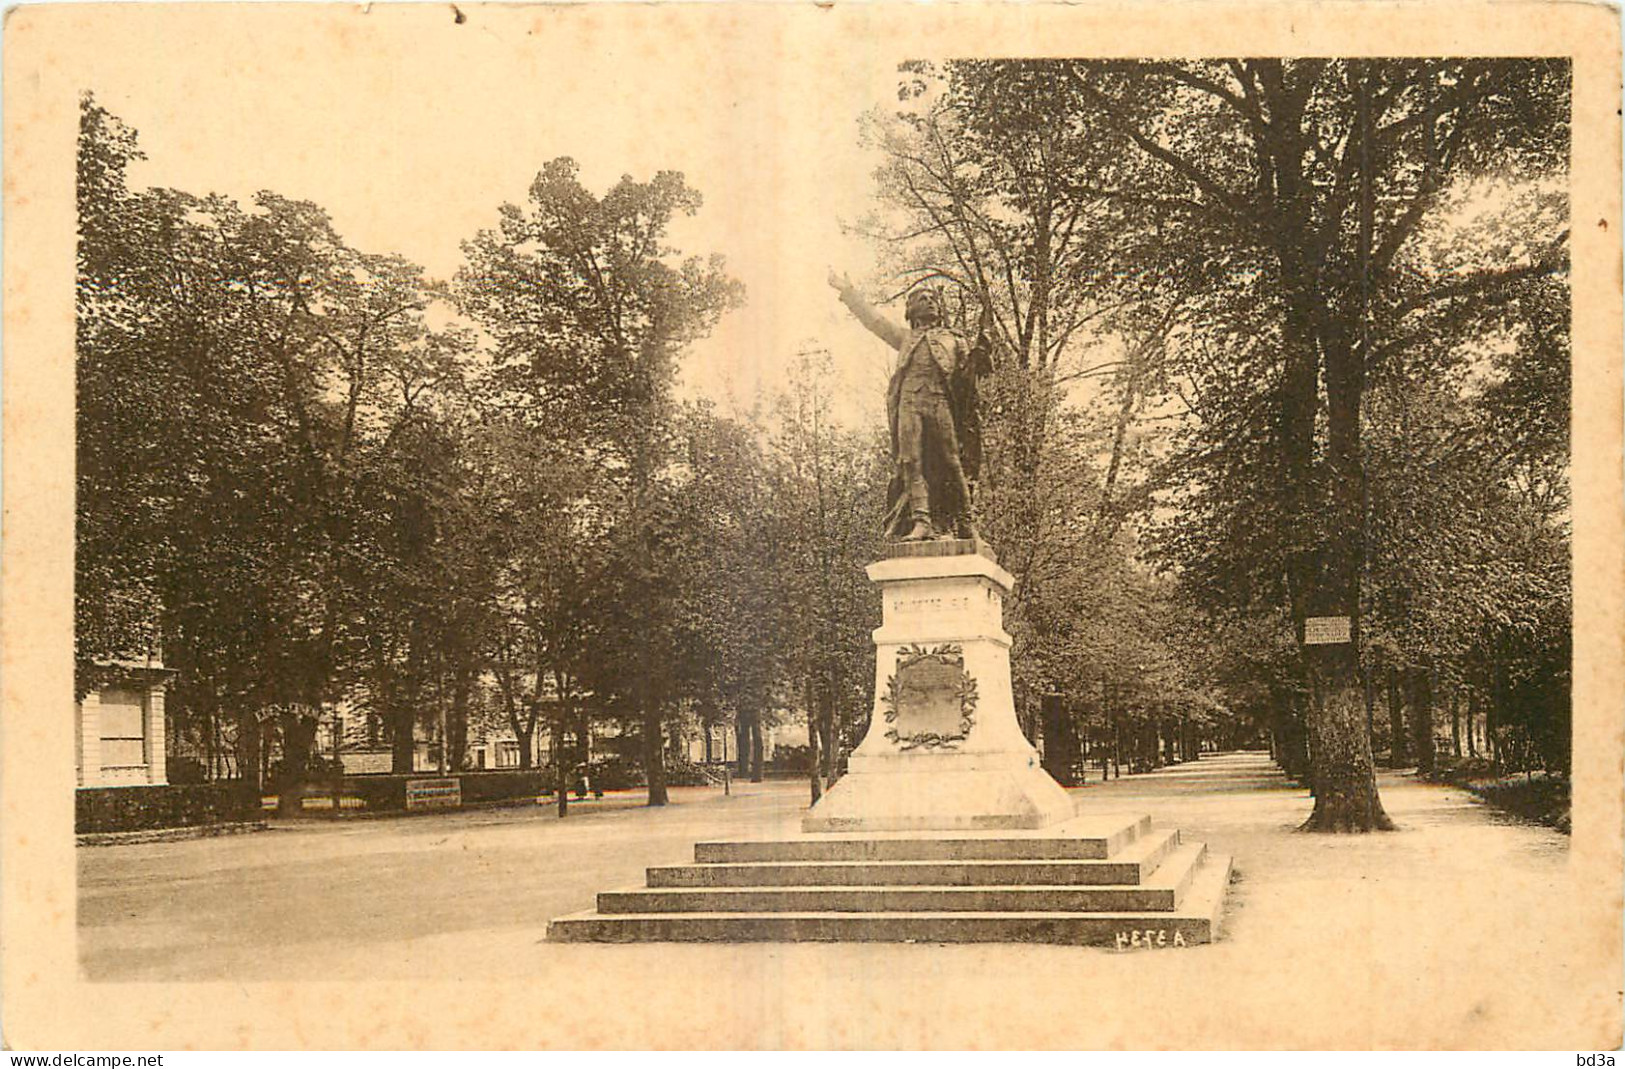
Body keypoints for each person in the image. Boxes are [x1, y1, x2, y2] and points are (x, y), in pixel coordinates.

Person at [829, 270, 993, 541]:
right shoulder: (905, 338)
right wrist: (848, 293)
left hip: (939, 401)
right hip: (909, 403)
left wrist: (980, 356)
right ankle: (921, 521)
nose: (929, 302)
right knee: (910, 461)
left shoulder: (955, 339)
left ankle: (966, 524)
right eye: (922, 298)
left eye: (933, 299)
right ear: (911, 310)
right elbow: (874, 321)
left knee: (952, 462)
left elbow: (967, 376)